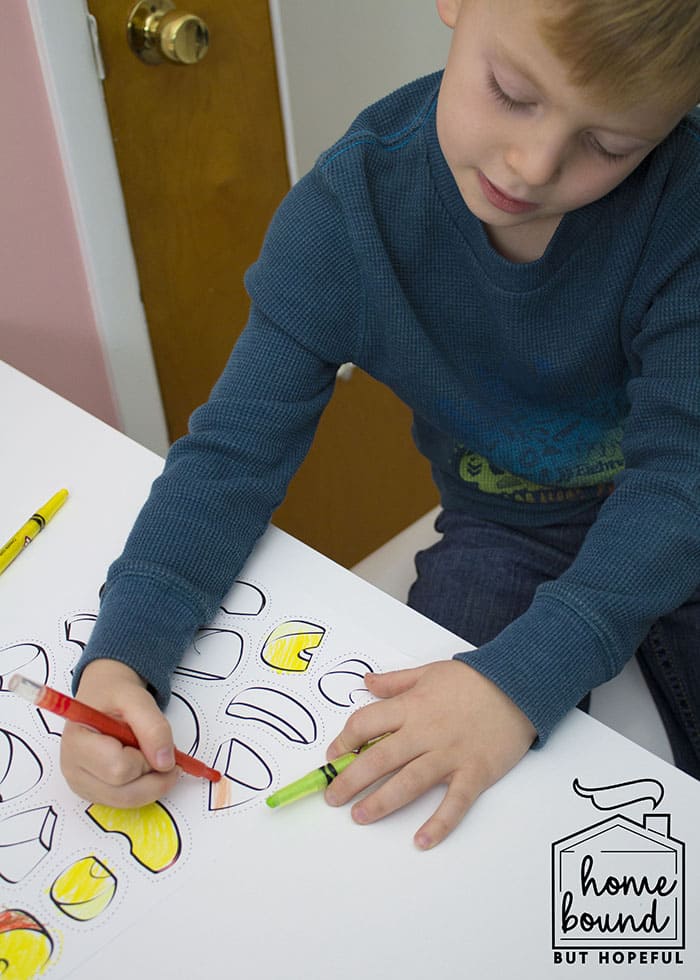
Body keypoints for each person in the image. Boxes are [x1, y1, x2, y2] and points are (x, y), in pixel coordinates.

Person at [62, 0, 700, 849]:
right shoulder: (349, 217)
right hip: (509, 530)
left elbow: (679, 484)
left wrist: (524, 680)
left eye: (612, 146)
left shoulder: (684, 206)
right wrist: (120, 658)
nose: (535, 163)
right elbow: (228, 459)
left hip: (683, 503)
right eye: (511, 92)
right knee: (422, 794)